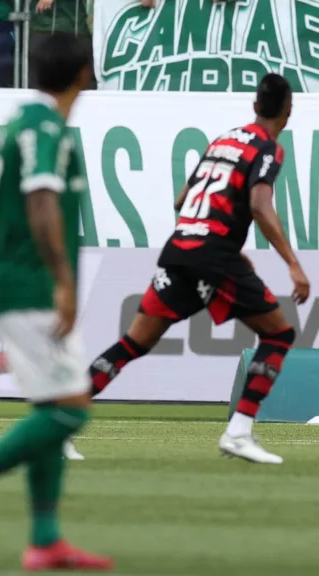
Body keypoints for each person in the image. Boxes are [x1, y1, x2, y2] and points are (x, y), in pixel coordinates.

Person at [0, 32, 113, 571]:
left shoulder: (22, 122)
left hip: (19, 282)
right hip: (33, 286)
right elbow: (40, 202)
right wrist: (63, 281)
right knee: (72, 410)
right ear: (83, 73)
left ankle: (45, 538)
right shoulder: (48, 129)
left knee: (52, 408)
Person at [69, 73, 306, 465]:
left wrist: (223, 241)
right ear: (288, 111)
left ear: (254, 106)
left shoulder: (225, 139)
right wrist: (294, 265)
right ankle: (239, 431)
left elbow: (183, 198)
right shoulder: (267, 148)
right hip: (212, 254)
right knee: (279, 335)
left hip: (181, 247)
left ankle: (59, 428)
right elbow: (261, 207)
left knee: (132, 344)